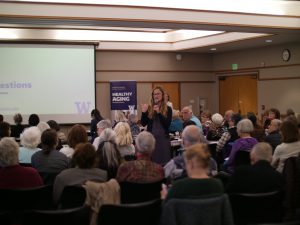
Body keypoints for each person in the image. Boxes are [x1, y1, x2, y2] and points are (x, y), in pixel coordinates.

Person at [141, 86, 172, 165]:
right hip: (151, 140)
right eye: (154, 94)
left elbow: (167, 124)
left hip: (163, 139)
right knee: (152, 162)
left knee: (164, 162)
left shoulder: (168, 109)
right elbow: (143, 123)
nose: (156, 96)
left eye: (158, 94)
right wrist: (144, 112)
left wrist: (158, 113)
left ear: (162, 95)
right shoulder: (150, 108)